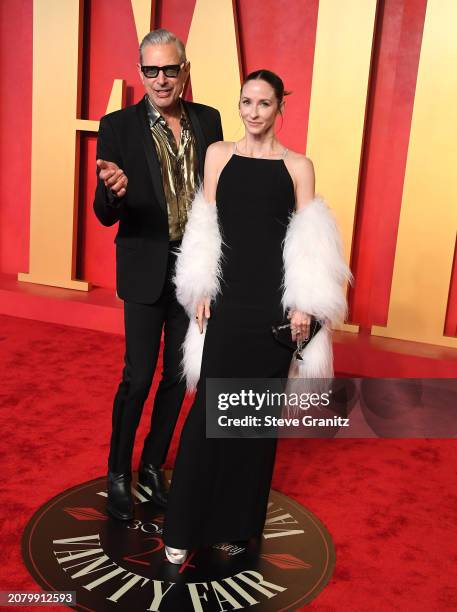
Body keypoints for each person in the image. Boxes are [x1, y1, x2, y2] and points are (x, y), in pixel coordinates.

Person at [162, 69, 352, 563]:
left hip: (272, 311)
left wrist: (304, 303)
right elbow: (203, 223)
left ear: (279, 109)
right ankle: (182, 528)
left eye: (263, 103)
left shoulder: (298, 167)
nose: (253, 112)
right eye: (246, 102)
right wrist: (199, 284)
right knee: (209, 416)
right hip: (226, 304)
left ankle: (234, 524)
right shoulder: (219, 155)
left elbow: (310, 243)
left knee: (252, 423)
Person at [93, 29, 223, 521]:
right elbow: (104, 212)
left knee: (178, 376)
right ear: (140, 72)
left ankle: (152, 466)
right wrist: (115, 192)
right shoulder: (118, 127)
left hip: (193, 269)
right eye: (152, 70)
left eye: (170, 69)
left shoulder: (209, 121)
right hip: (147, 266)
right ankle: (118, 474)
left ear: (184, 70)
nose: (162, 79)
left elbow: (218, 195)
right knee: (139, 375)